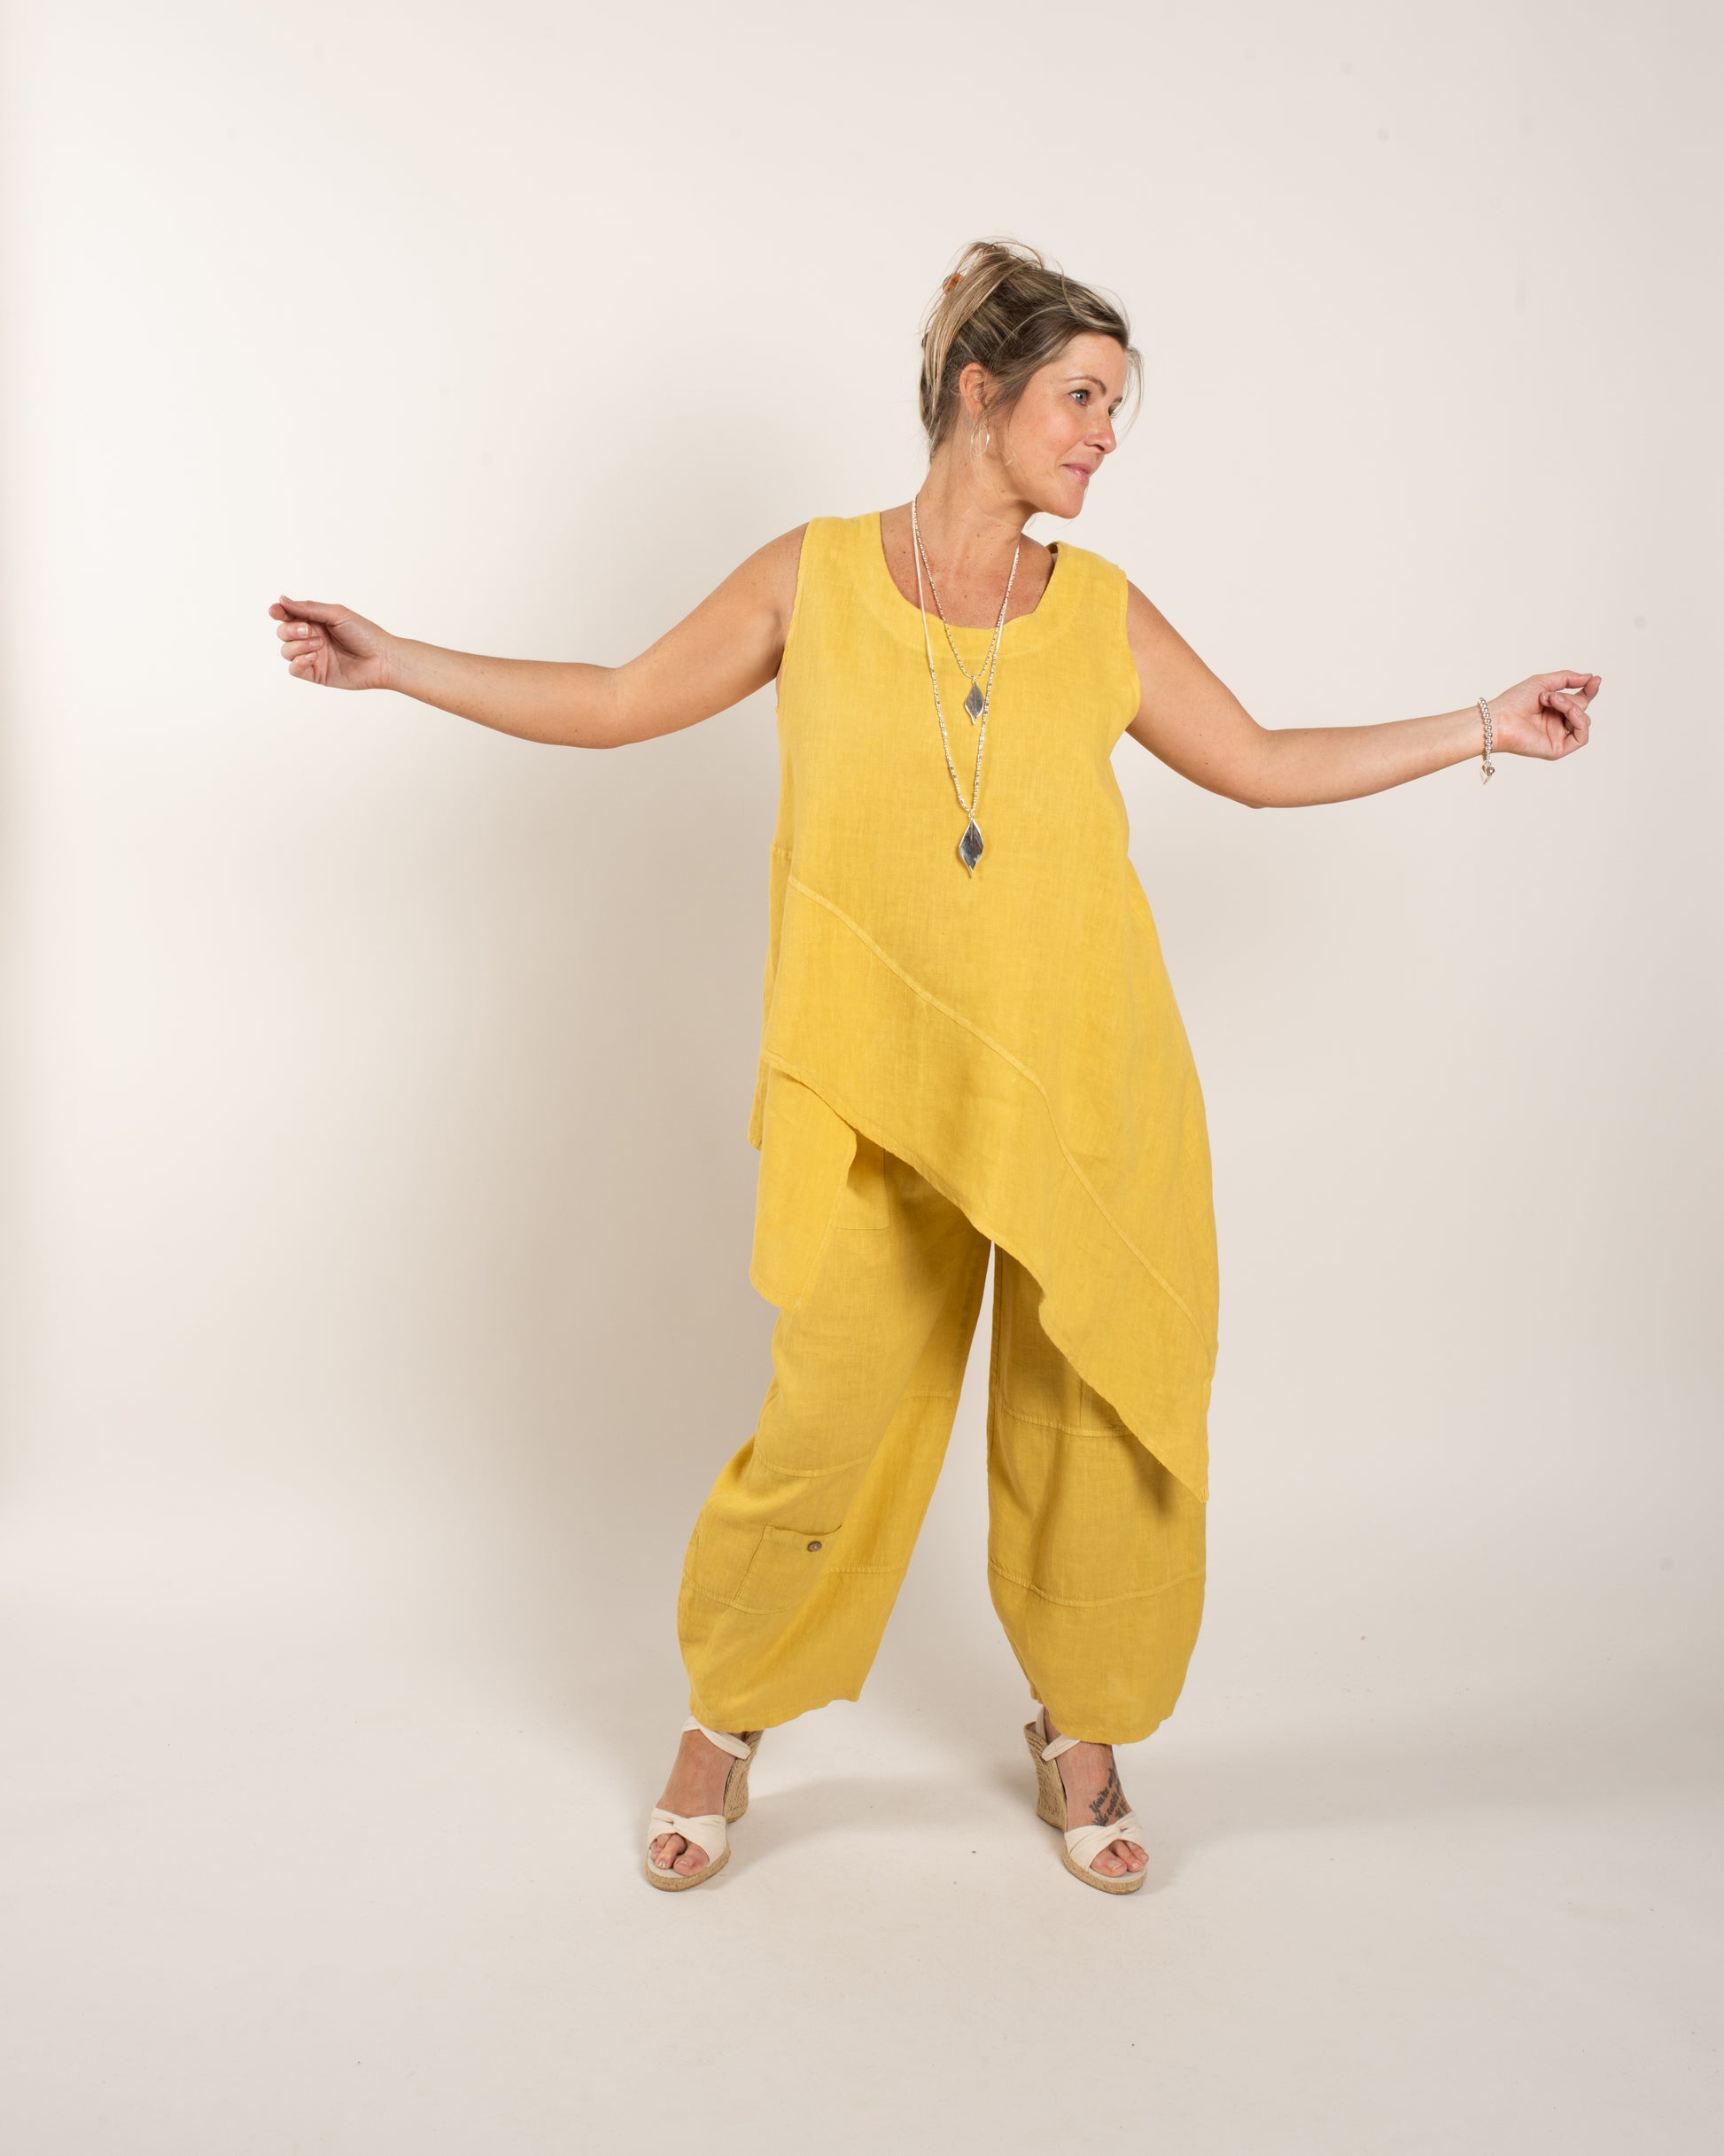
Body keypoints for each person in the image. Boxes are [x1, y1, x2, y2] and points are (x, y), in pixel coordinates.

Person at [268, 237, 1599, 1896]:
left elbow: (1258, 762)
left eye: (1114, 406)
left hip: (1086, 1087)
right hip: (875, 1095)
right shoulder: (813, 575)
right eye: (1080, 396)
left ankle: (1080, 1729)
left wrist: (1479, 723)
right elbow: (616, 698)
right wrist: (398, 659)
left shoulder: (1100, 611)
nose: (1103, 433)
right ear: (981, 391)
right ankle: (724, 1716)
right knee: (826, 1423)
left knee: (1090, 1427)